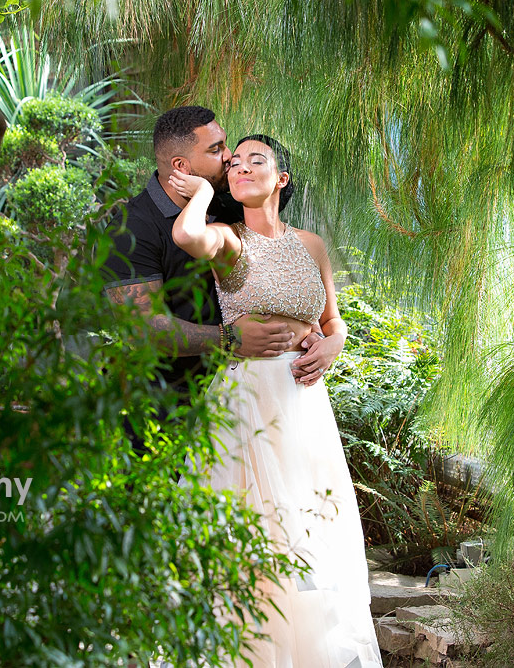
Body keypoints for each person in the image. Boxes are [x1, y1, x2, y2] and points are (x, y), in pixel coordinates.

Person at [168, 134, 383, 668]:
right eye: (233, 163)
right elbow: (187, 233)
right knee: (249, 545)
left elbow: (333, 321)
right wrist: (200, 190)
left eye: (254, 160)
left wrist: (332, 343)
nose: (240, 167)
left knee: (309, 545)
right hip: (249, 402)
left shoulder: (311, 245)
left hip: (305, 406)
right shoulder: (228, 239)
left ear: (281, 178)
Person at [102, 106, 324, 453]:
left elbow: (281, 265)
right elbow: (141, 328)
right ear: (181, 167)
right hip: (165, 412)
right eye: (215, 149)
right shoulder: (130, 229)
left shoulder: (231, 204)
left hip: (248, 402)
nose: (228, 158)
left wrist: (314, 333)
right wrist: (230, 338)